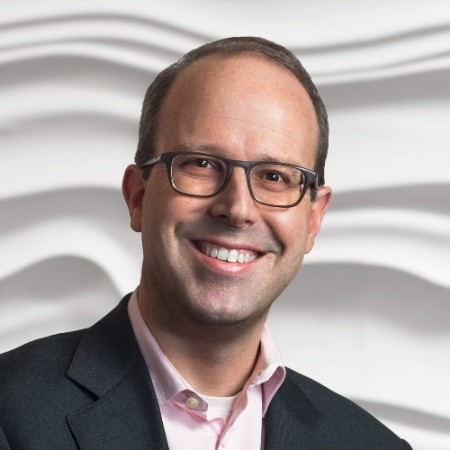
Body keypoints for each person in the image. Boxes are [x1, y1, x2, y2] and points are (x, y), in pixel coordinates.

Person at [0, 37, 412, 449]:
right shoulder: (10, 412)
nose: (237, 208)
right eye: (201, 164)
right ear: (138, 196)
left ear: (314, 218)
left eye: (274, 176)